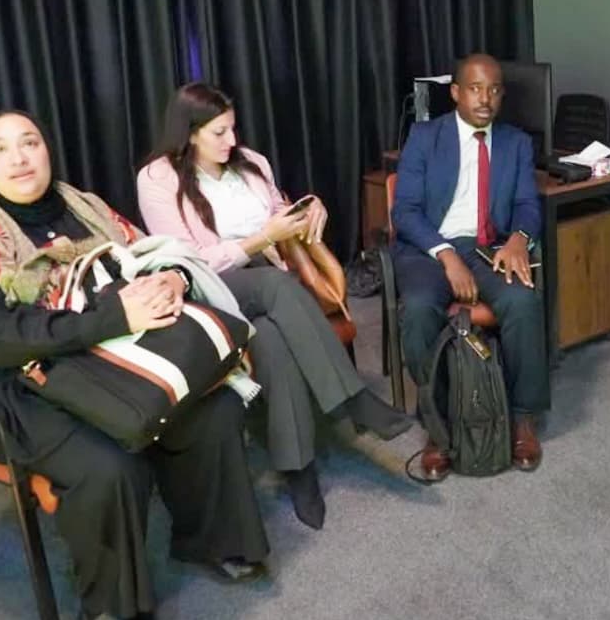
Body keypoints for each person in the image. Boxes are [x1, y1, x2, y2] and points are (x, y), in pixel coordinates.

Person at [0, 111, 269, 620]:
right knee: (110, 464)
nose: (18, 158)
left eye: (29, 143)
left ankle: (209, 539)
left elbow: (148, 254)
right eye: (0, 149)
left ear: (47, 148)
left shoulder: (84, 207)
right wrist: (111, 318)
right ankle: (113, 603)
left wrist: (174, 280)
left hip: (110, 358)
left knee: (214, 406)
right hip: (16, 385)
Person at [137, 82, 411, 531]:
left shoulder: (252, 163)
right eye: (219, 133)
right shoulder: (157, 179)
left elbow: (280, 213)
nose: (231, 141)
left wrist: (309, 208)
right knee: (274, 284)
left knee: (272, 339)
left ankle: (298, 468)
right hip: (207, 289)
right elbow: (186, 260)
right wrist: (259, 240)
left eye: (233, 129)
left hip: (267, 284)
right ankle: (354, 399)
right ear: (189, 132)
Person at [391, 52, 548, 481]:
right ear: (456, 92)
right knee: (419, 308)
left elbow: (527, 204)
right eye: (475, 89)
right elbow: (405, 211)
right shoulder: (425, 137)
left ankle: (523, 418)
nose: (485, 99)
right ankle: (439, 424)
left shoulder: (516, 142)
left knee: (522, 301)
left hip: (488, 248)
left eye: (494, 90)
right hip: (429, 247)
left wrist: (519, 239)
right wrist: (445, 255)